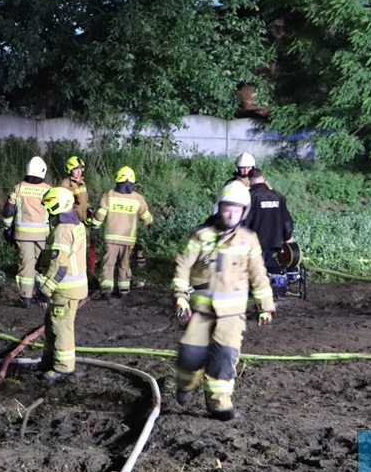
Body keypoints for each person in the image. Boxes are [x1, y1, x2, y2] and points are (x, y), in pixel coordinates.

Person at [171, 182, 274, 422]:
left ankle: (219, 405)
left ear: (244, 211)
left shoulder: (249, 239)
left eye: (237, 209)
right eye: (228, 208)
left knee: (224, 357)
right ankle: (186, 386)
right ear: (219, 207)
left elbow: (258, 274)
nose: (231, 214)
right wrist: (180, 296)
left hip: (232, 314)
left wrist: (265, 306)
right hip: (201, 311)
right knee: (190, 355)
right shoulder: (201, 235)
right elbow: (183, 265)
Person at [35, 187, 88, 382]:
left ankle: (63, 367)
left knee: (61, 327)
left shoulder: (62, 231)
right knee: (52, 324)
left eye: (49, 208)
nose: (47, 212)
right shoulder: (75, 224)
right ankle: (49, 360)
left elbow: (59, 267)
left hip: (64, 289)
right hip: (70, 287)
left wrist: (45, 290)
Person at [89, 166, 153, 298]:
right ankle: (124, 290)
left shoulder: (109, 195)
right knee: (124, 265)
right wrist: (149, 222)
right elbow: (147, 219)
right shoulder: (138, 198)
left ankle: (106, 290)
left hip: (111, 238)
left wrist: (94, 227)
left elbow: (100, 214)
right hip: (128, 239)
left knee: (108, 264)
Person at [2, 156, 52, 308]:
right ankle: (45, 293)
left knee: (26, 266)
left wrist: (6, 228)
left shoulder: (18, 188)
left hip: (23, 235)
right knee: (42, 266)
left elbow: (9, 211)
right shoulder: (48, 189)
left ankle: (26, 297)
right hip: (43, 235)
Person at [245, 168, 294, 265]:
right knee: (263, 268)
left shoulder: (249, 197)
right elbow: (287, 221)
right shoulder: (278, 196)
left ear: (249, 181)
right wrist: (287, 237)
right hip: (273, 243)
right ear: (263, 179)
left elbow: (245, 222)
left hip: (254, 244)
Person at [59, 155, 89, 221]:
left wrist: (88, 208)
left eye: (80, 169)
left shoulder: (82, 183)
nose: (79, 172)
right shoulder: (66, 183)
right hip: (72, 220)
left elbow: (85, 199)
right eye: (75, 169)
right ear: (70, 170)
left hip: (83, 220)